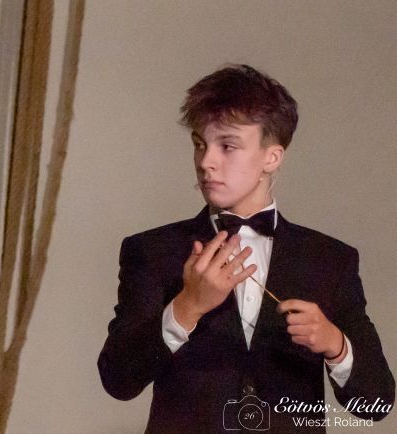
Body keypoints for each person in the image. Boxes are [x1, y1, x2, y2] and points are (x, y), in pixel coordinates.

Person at [98, 64, 394, 432]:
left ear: (272, 157)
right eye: (200, 144)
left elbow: (377, 404)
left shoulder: (330, 260)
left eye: (228, 146)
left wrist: (336, 345)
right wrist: (187, 307)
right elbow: (118, 381)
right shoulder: (152, 251)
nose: (206, 161)